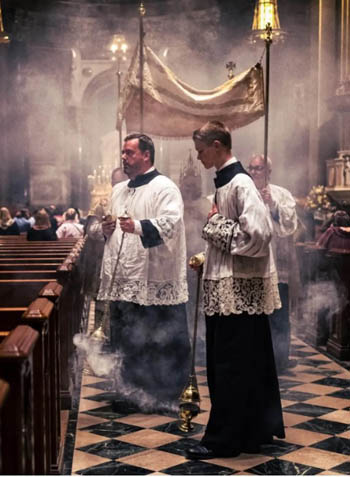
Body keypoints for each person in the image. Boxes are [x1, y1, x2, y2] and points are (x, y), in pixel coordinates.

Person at [185, 121, 284, 460]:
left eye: (201, 151)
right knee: (244, 364)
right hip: (233, 288)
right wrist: (207, 256)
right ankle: (250, 432)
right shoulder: (229, 182)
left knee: (227, 366)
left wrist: (212, 226)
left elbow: (258, 235)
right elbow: (235, 239)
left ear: (216, 145)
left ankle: (223, 440)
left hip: (237, 294)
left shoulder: (240, 182)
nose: (198, 158)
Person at [97, 133, 191, 412]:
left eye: (129, 153)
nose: (123, 158)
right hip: (125, 278)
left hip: (153, 278)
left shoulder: (165, 187)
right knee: (127, 338)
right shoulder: (119, 189)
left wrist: (137, 226)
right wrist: (106, 230)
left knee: (156, 336)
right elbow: (113, 230)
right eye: (123, 153)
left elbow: (171, 224)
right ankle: (130, 391)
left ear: (146, 155)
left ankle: (162, 393)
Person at [248, 154, 298, 373]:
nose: (254, 172)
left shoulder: (281, 194)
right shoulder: (245, 191)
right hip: (251, 266)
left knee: (278, 315)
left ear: (269, 172)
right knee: (254, 316)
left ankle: (279, 361)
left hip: (277, 265)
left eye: (258, 168)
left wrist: (273, 204)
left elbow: (289, 224)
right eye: (251, 168)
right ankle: (255, 359)